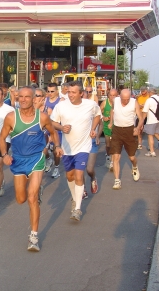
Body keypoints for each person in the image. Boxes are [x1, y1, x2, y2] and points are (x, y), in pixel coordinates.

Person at [0, 87, 62, 251]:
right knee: (21, 199)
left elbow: (53, 132)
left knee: (32, 197)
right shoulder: (11, 117)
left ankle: (33, 236)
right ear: (17, 97)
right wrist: (5, 153)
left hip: (36, 159)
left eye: (28, 97)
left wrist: (57, 146)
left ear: (34, 98)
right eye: (21, 97)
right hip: (18, 160)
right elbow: (1, 137)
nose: (24, 99)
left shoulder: (42, 117)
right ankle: (34, 191)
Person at [51, 81, 101, 221]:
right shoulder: (61, 106)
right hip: (67, 148)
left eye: (73, 92)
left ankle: (77, 208)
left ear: (81, 93)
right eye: (68, 92)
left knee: (79, 175)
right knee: (70, 176)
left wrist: (93, 128)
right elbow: (52, 122)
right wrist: (61, 128)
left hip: (83, 147)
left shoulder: (90, 105)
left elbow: (98, 115)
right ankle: (75, 198)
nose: (70, 95)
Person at [108, 89, 143, 189]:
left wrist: (137, 128)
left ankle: (135, 167)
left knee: (131, 157)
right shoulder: (116, 101)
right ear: (120, 96)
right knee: (116, 157)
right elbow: (112, 110)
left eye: (127, 99)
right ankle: (117, 181)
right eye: (124, 99)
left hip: (129, 130)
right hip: (117, 130)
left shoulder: (133, 102)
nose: (126, 101)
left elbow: (141, 118)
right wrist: (111, 122)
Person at [44, 83, 63, 178]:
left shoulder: (61, 101)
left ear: (57, 91)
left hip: (57, 129)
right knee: (43, 149)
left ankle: (56, 168)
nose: (50, 93)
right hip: (46, 129)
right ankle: (48, 159)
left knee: (56, 151)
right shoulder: (45, 100)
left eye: (52, 91)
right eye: (48, 91)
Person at [142, 89, 159, 157]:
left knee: (150, 135)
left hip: (151, 121)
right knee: (157, 134)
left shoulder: (149, 100)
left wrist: (142, 121)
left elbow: (145, 111)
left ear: (150, 93)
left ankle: (152, 152)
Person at [100, 89, 118, 170]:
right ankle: (108, 156)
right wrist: (104, 117)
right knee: (108, 144)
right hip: (107, 126)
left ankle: (113, 161)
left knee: (114, 144)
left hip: (117, 126)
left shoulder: (119, 103)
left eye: (114, 95)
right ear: (108, 95)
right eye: (111, 95)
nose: (112, 97)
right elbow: (98, 113)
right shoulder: (105, 102)